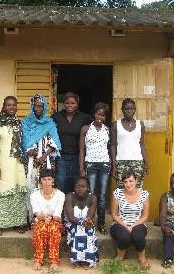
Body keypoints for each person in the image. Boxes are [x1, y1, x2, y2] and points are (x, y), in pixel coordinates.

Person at [0, 96, 28, 236]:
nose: (11, 108)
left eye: (14, 105)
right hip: (3, 163)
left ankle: (18, 222)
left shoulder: (18, 123)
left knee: (18, 190)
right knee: (3, 191)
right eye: (8, 105)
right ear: (4, 107)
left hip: (17, 163)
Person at [22, 94, 62, 224]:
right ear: (32, 106)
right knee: (31, 187)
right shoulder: (26, 122)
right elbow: (24, 140)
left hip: (46, 161)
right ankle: (32, 218)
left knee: (46, 187)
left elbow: (54, 142)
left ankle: (47, 218)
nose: (38, 108)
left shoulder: (49, 123)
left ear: (44, 107)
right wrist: (30, 151)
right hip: (31, 162)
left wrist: (43, 156)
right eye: (36, 106)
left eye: (41, 106)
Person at [79, 102, 110, 234]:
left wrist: (111, 164)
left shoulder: (107, 129)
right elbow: (81, 150)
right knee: (90, 194)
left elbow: (109, 148)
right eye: (99, 114)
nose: (101, 117)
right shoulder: (85, 128)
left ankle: (101, 224)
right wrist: (82, 168)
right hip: (90, 164)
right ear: (94, 114)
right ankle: (88, 221)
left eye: (103, 115)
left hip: (104, 164)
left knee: (102, 195)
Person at [52, 92, 92, 194]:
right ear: (63, 104)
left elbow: (94, 131)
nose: (70, 105)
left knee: (76, 182)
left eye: (73, 103)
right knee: (61, 181)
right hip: (61, 155)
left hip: (77, 156)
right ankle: (61, 208)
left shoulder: (84, 118)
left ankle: (74, 207)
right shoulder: (56, 117)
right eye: (67, 103)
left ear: (77, 104)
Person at [110, 169, 150, 268]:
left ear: (136, 181)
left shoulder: (144, 194)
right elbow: (114, 215)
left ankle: (142, 258)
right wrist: (125, 226)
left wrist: (133, 226)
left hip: (138, 223)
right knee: (124, 237)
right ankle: (119, 258)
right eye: (125, 181)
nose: (128, 184)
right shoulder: (117, 193)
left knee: (138, 237)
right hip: (119, 224)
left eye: (131, 181)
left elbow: (145, 216)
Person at [30, 168, 65, 271]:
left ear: (53, 180)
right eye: (44, 179)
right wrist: (44, 216)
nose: (47, 182)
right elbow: (37, 214)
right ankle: (38, 260)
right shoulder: (34, 195)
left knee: (53, 229)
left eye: (49, 179)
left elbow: (58, 216)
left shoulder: (60, 195)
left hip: (55, 221)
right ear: (40, 180)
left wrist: (51, 217)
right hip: (41, 220)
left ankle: (54, 261)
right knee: (41, 229)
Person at [111, 98, 148, 189]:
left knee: (137, 188)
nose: (129, 111)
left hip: (137, 162)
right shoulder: (116, 125)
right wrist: (114, 165)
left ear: (135, 110)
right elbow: (113, 145)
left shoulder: (140, 124)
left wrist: (146, 162)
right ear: (122, 110)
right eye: (126, 109)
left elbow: (142, 144)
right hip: (121, 162)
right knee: (122, 189)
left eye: (131, 109)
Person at [64, 177, 98, 268]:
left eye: (83, 186)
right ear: (74, 188)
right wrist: (81, 223)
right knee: (76, 231)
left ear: (88, 188)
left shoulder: (92, 198)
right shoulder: (69, 196)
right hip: (71, 223)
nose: (80, 189)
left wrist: (86, 223)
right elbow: (70, 217)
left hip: (87, 222)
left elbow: (90, 216)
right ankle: (76, 259)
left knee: (89, 232)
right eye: (78, 186)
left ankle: (88, 258)